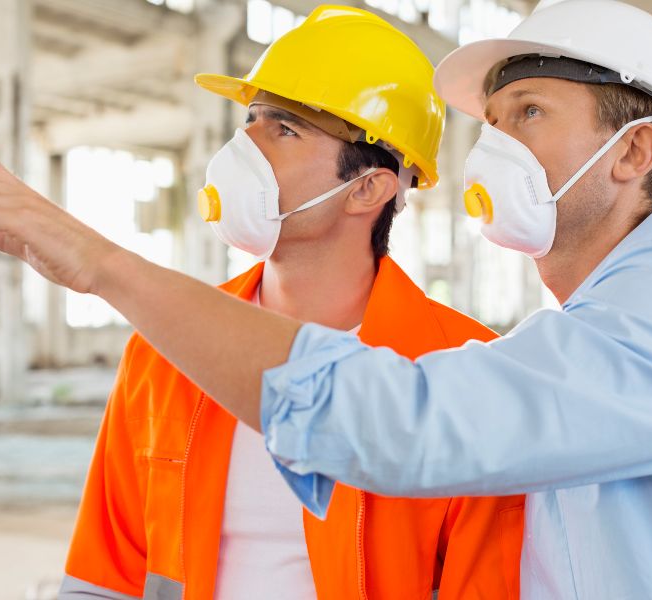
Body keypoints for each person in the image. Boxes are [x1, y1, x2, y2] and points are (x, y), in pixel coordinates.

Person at [0, 1, 652, 598]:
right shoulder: (558, 347)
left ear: (632, 154)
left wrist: (104, 267)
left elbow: (396, 422)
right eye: (492, 123)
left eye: (528, 114)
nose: (496, 150)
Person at [49, 7, 520, 600]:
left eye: (285, 128)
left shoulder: (464, 370)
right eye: (251, 118)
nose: (242, 145)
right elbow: (101, 578)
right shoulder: (163, 344)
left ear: (369, 187)